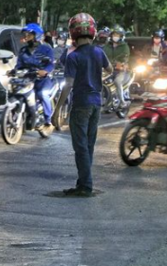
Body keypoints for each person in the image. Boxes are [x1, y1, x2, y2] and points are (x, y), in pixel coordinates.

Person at [52, 13, 113, 197]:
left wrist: (57, 110)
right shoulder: (98, 52)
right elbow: (109, 70)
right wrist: (96, 79)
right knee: (88, 145)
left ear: (73, 32)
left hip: (81, 104)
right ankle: (83, 182)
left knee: (80, 147)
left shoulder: (73, 56)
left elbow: (68, 84)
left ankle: (85, 186)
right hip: (96, 103)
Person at [9, 23, 55, 127]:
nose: (26, 37)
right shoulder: (23, 50)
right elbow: (19, 65)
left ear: (37, 36)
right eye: (25, 35)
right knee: (15, 92)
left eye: (29, 35)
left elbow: (51, 64)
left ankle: (48, 119)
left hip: (42, 79)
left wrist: (45, 71)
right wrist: (13, 71)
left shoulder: (47, 49)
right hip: (27, 79)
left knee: (42, 94)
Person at [103, 25, 130, 108]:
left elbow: (125, 57)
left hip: (120, 71)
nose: (115, 37)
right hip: (108, 69)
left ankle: (122, 101)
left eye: (117, 35)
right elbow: (103, 56)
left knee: (117, 81)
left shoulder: (124, 47)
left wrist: (120, 63)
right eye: (114, 35)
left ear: (121, 36)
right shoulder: (107, 46)